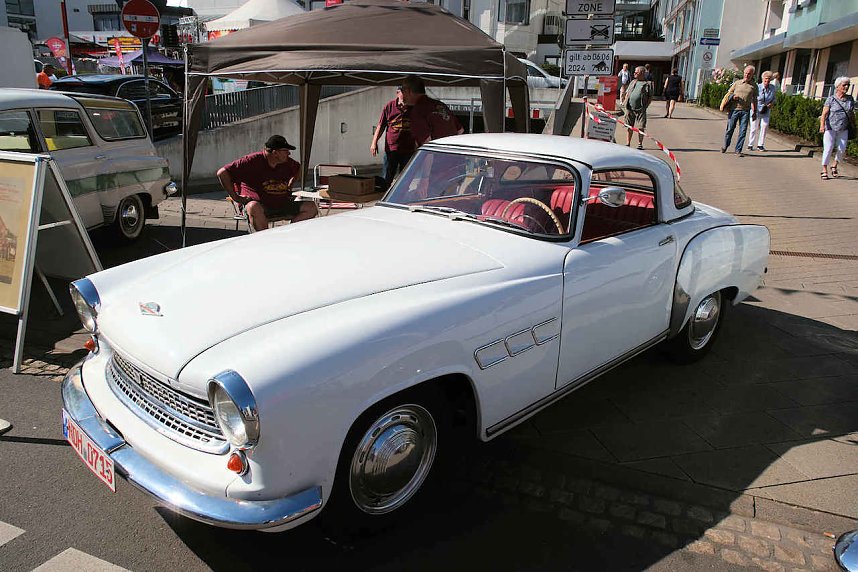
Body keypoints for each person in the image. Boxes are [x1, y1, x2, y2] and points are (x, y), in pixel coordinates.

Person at [216, 135, 317, 231]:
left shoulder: (287, 162)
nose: (289, 154)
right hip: (260, 206)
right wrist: (236, 197)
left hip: (282, 204)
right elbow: (222, 173)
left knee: (312, 207)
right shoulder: (252, 161)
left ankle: (289, 234)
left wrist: (291, 183)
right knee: (253, 207)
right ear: (275, 153)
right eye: (285, 151)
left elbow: (299, 168)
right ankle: (265, 240)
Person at [399, 75, 464, 147]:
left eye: (402, 91)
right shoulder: (441, 105)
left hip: (437, 155)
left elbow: (426, 143)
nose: (402, 95)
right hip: (453, 153)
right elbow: (460, 130)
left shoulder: (418, 111)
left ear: (408, 91)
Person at [370, 87, 415, 189]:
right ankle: (383, 196)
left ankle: (401, 198)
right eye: (404, 92)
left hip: (408, 149)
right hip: (391, 149)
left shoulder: (414, 108)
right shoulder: (389, 106)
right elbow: (381, 126)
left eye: (408, 93)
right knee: (386, 178)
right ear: (397, 93)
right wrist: (374, 142)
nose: (406, 96)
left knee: (405, 179)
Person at [819, 76, 855, 180]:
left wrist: (853, 124)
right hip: (830, 127)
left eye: (848, 85)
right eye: (844, 85)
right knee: (828, 148)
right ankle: (824, 169)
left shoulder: (850, 99)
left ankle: (834, 165)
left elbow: (851, 113)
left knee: (842, 149)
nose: (846, 87)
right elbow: (824, 113)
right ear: (837, 87)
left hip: (844, 128)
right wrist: (822, 126)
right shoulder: (831, 99)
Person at [721, 65, 757, 157]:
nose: (747, 75)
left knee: (743, 131)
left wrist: (755, 112)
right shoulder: (737, 83)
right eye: (746, 73)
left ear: (752, 74)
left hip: (745, 111)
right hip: (734, 110)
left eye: (749, 74)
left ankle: (738, 150)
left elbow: (754, 99)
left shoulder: (754, 86)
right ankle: (725, 145)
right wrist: (733, 97)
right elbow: (729, 93)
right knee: (730, 129)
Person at [621, 66, 651, 149]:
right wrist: (625, 101)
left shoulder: (648, 84)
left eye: (636, 72)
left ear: (642, 73)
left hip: (640, 109)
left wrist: (645, 107)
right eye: (634, 72)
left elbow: (650, 97)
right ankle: (628, 143)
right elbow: (628, 93)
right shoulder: (633, 82)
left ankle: (640, 143)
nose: (634, 73)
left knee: (641, 127)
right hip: (630, 108)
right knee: (629, 126)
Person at [748, 71, 776, 152]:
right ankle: (750, 144)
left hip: (766, 110)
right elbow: (752, 98)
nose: (767, 82)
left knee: (764, 126)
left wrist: (771, 103)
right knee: (754, 128)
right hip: (756, 109)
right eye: (765, 80)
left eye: (768, 80)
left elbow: (774, 98)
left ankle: (760, 145)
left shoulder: (772, 88)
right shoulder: (757, 87)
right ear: (762, 79)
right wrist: (753, 108)